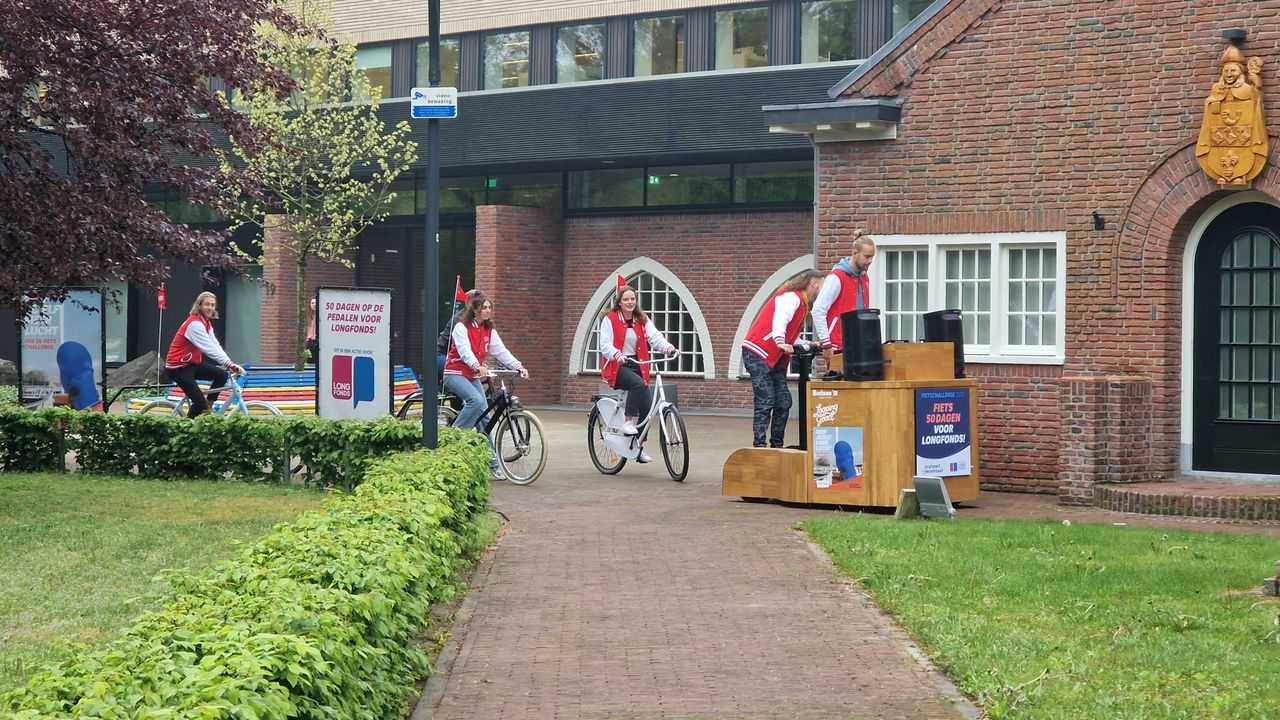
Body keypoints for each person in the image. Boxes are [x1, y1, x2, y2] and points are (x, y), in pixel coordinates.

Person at [442, 291, 529, 475]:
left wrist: (518, 366)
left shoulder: (490, 331)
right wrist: (476, 364)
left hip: (473, 375)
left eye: (490, 307)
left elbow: (501, 351)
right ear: (475, 310)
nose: (488, 311)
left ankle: (493, 465)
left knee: (486, 420)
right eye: (484, 308)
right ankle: (455, 436)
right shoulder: (461, 327)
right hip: (455, 372)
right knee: (476, 400)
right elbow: (464, 351)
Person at [741, 270, 825, 448]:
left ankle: (777, 446)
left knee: (784, 401)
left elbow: (791, 335)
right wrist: (780, 341)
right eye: (823, 286)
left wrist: (809, 343)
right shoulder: (791, 297)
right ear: (815, 284)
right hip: (757, 352)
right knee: (766, 400)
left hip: (776, 356)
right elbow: (780, 321)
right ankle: (759, 447)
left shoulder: (803, 304)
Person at [598, 285, 679, 463]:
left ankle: (637, 447)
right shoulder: (609, 319)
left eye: (632, 299)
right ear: (619, 302)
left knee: (648, 409)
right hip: (617, 366)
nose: (630, 302)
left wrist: (669, 348)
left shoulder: (641, 319)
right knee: (637, 384)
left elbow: (655, 337)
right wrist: (617, 354)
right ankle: (627, 421)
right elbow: (604, 344)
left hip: (638, 364)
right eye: (626, 299)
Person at [164, 291, 244, 418]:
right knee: (199, 403)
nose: (210, 308)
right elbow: (209, 348)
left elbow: (215, 345)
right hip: (178, 368)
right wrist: (228, 363)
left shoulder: (206, 324)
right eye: (207, 304)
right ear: (199, 305)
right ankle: (186, 431)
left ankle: (208, 408)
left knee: (221, 375)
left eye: (213, 305)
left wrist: (229, 363)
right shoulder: (195, 324)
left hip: (191, 364)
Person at [811, 228, 877, 363]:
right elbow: (818, 310)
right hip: (838, 346)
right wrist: (826, 343)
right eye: (867, 256)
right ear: (855, 253)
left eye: (872, 256)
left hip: (859, 345)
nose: (870, 261)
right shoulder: (836, 278)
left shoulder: (864, 278)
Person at [305, 296, 319, 362]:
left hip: (316, 340)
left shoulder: (320, 315)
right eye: (312, 303)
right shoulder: (309, 316)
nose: (314, 305)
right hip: (309, 340)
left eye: (315, 303)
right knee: (309, 359)